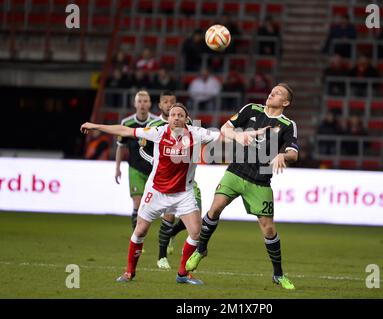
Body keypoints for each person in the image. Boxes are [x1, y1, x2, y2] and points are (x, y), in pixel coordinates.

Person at [80, 103, 265, 285]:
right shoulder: (158, 133)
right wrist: (96, 126)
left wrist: (241, 137)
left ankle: (183, 274)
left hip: (183, 193)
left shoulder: (196, 133)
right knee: (140, 230)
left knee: (195, 232)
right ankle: (129, 272)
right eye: (173, 115)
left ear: (186, 119)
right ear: (168, 119)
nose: (176, 117)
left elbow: (222, 136)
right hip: (157, 192)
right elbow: (126, 130)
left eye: (180, 115)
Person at [186, 83, 299, 290]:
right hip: (236, 171)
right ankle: (201, 249)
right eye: (272, 90)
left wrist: (283, 155)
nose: (272, 93)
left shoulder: (287, 124)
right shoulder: (251, 109)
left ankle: (278, 274)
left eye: (279, 93)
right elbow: (225, 128)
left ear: (286, 102)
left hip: (260, 179)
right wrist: (238, 135)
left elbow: (294, 152)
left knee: (268, 229)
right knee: (215, 208)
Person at [138, 91, 203, 270]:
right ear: (160, 105)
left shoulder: (188, 125)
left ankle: (174, 234)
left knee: (195, 219)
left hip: (187, 180)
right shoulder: (154, 126)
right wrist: (154, 161)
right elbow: (142, 150)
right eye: (165, 102)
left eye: (172, 102)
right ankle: (162, 256)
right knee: (167, 215)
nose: (168, 105)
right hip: (163, 179)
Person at [115, 91, 158, 230]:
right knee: (137, 202)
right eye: (139, 101)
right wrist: (117, 168)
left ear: (150, 104)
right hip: (135, 168)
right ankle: (137, 239)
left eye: (145, 101)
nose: (142, 104)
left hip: (154, 170)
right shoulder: (127, 123)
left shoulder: (157, 122)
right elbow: (120, 147)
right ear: (135, 104)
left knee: (159, 208)